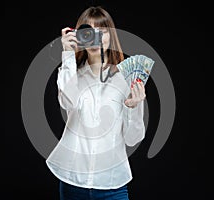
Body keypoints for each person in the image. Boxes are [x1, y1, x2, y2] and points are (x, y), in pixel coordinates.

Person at [46, 6, 146, 200]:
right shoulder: (70, 75)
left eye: (102, 32)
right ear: (79, 36)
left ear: (111, 35)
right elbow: (69, 103)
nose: (96, 38)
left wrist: (134, 107)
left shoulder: (128, 79)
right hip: (72, 182)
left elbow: (133, 139)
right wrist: (67, 54)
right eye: (88, 32)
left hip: (112, 184)